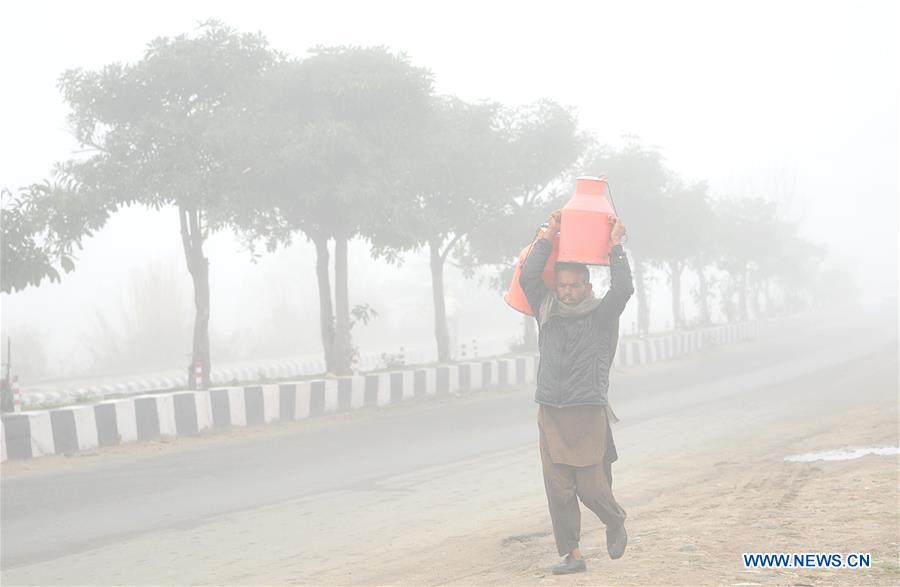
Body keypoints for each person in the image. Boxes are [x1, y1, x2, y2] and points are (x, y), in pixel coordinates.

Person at [519, 210, 634, 575]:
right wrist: (549, 234)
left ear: (586, 286)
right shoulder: (546, 310)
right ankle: (573, 554)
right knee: (558, 489)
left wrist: (615, 247)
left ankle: (614, 520)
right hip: (551, 411)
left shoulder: (600, 315)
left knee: (591, 488)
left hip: (586, 413)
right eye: (563, 285)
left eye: (574, 285)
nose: (567, 292)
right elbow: (528, 276)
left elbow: (623, 289)